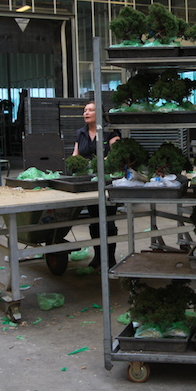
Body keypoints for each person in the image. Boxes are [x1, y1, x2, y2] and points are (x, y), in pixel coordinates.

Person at [72, 101, 121, 268]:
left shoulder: (110, 131)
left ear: (99, 113)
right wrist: (75, 165)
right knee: (94, 220)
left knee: (108, 219)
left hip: (108, 182)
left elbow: (116, 153)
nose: (86, 113)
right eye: (85, 110)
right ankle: (98, 257)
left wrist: (102, 162)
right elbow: (76, 154)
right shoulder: (81, 133)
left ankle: (110, 258)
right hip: (89, 183)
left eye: (90, 110)